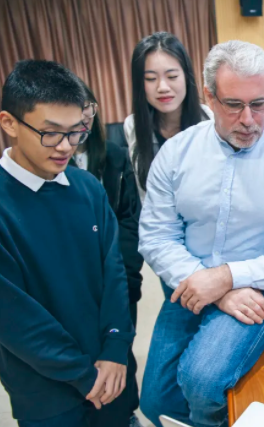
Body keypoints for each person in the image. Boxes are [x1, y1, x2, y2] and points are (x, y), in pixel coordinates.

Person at [138, 40, 264, 427]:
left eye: (258, 104)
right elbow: (156, 237)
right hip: (191, 277)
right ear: (209, 96)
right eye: (233, 105)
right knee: (155, 402)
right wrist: (209, 283)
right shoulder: (176, 154)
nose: (248, 119)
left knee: (201, 380)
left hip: (260, 284)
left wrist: (227, 277)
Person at [0, 60, 134, 426]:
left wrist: (116, 347)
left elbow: (114, 274)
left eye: (76, 133)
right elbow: (15, 319)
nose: (65, 147)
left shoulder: (87, 187)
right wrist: (82, 374)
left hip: (110, 373)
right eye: (50, 133)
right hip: (45, 393)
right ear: (9, 123)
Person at [70, 81, 145, 427]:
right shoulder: (50, 166)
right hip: (76, 285)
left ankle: (126, 413)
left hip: (118, 280)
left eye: (88, 111)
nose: (83, 121)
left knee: (120, 353)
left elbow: (130, 221)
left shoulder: (113, 155)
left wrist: (127, 278)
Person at [124, 31, 213, 197]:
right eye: (151, 78)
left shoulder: (209, 119)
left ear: (186, 77)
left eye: (172, 76)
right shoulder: (133, 125)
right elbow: (145, 194)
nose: (162, 87)